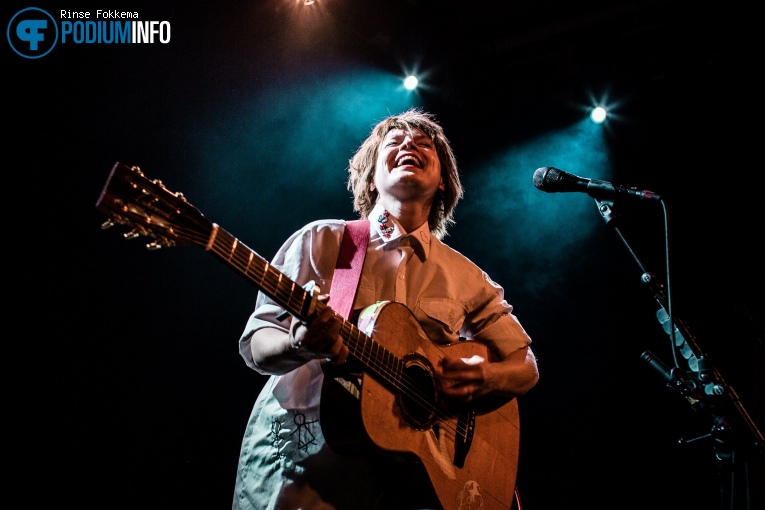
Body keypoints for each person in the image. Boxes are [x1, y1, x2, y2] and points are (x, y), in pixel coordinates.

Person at [232, 108, 539, 509]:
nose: (409, 144)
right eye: (394, 142)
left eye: (423, 143)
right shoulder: (322, 241)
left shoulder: (467, 278)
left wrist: (488, 379)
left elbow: (526, 365)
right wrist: (300, 345)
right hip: (297, 467)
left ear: (444, 179)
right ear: (371, 178)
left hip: (401, 483)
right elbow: (258, 343)